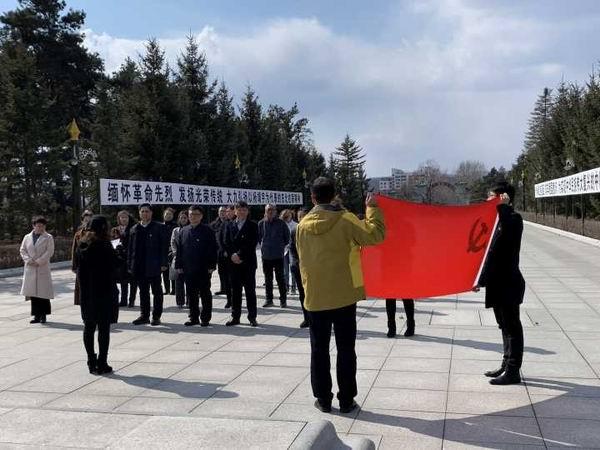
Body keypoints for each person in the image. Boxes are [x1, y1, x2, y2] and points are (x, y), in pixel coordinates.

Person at [296, 177, 385, 414]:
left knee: (319, 350)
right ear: (334, 195)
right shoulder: (346, 219)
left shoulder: (302, 225)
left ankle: (323, 399)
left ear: (313, 198)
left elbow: (303, 260)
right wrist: (372, 209)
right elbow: (375, 235)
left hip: (315, 296)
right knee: (346, 349)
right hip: (344, 295)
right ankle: (346, 400)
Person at [475, 182, 525, 386]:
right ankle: (506, 364)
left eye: (491, 196)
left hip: (509, 283)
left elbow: (508, 235)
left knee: (512, 327)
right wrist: (479, 279)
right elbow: (489, 255)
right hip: (497, 284)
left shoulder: (513, 219)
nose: (488, 199)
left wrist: (503, 207)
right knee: (503, 326)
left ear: (503, 198)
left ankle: (513, 370)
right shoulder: (495, 221)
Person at [75, 215, 119, 375]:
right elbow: (114, 266)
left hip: (88, 293)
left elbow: (78, 268)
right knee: (103, 329)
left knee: (89, 327)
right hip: (104, 292)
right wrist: (119, 252)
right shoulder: (105, 245)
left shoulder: (82, 244)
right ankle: (102, 362)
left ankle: (91, 361)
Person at [176, 206, 218, 326]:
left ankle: (205, 317)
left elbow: (213, 249)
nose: (193, 217)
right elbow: (179, 250)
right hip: (188, 268)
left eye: (196, 214)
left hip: (203, 268)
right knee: (191, 294)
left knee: (205, 293)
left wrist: (212, 265)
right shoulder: (183, 231)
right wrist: (179, 265)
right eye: (191, 214)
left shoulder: (208, 230)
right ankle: (193, 317)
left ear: (201, 216)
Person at [128, 203, 168, 326]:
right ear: (139, 213)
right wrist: (130, 265)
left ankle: (156, 316)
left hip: (154, 265)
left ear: (151, 213)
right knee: (143, 292)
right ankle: (144, 315)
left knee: (157, 292)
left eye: (147, 211)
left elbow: (164, 247)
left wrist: (163, 263)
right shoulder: (134, 229)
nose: (144, 213)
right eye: (142, 211)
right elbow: (130, 249)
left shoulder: (159, 227)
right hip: (139, 266)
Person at [223, 201, 259, 327]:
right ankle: (235, 316)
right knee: (235, 291)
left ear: (247, 211)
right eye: (239, 210)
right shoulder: (229, 224)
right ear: (235, 211)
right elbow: (226, 241)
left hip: (248, 262)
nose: (242, 212)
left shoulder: (253, 225)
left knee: (250, 291)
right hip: (233, 263)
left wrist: (239, 255)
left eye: (244, 210)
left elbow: (252, 243)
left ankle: (252, 317)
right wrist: (232, 254)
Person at [20, 216, 55, 324]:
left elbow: (50, 251)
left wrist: (39, 261)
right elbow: (22, 250)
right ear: (33, 226)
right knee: (33, 294)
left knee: (43, 294)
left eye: (43, 226)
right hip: (30, 267)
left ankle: (43, 315)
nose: (41, 228)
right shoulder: (27, 237)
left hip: (42, 267)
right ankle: (36, 316)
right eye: (38, 226)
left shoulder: (48, 237)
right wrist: (28, 260)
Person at [258, 204, 290, 308]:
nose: (270, 212)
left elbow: (287, 238)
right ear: (265, 211)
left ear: (276, 211)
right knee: (268, 279)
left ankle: (283, 300)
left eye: (272, 210)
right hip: (266, 256)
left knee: (280, 279)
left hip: (278, 255)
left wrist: (279, 246)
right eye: (268, 210)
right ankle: (269, 300)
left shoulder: (281, 223)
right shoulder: (261, 223)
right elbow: (259, 238)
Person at [111, 210, 137, 307]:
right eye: (121, 217)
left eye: (125, 217)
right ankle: (123, 300)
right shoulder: (115, 229)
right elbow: (112, 240)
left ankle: (131, 300)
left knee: (133, 281)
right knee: (123, 281)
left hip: (131, 257)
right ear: (119, 219)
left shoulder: (133, 228)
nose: (123, 219)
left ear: (129, 218)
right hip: (120, 258)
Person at [289, 207, 310, 328]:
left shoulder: (313, 230)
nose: (302, 219)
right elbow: (292, 249)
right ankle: (307, 318)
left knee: (312, 294)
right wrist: (297, 262)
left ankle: (316, 317)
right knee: (302, 294)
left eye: (304, 216)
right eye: (299, 217)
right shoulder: (294, 231)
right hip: (298, 267)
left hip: (312, 267)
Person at [71, 210, 93, 305]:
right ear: (82, 221)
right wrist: (74, 265)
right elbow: (74, 250)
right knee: (81, 285)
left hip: (92, 264)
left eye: (89, 220)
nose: (87, 222)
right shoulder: (78, 234)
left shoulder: (96, 233)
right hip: (81, 264)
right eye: (85, 220)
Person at [217, 205, 236, 308]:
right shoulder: (224, 223)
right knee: (226, 279)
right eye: (226, 212)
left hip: (235, 255)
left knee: (234, 280)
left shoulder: (236, 223)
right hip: (224, 255)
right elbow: (220, 239)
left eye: (229, 211)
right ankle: (229, 300)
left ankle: (235, 299)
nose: (227, 213)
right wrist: (223, 250)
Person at [170, 211, 190, 308]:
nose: (183, 219)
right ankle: (180, 302)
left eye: (185, 218)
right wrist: (175, 252)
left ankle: (190, 300)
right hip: (178, 258)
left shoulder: (191, 229)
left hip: (189, 258)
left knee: (189, 281)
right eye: (181, 218)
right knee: (178, 281)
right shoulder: (176, 230)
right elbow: (172, 242)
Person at [210, 206, 230, 298]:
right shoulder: (213, 224)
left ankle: (230, 288)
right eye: (221, 211)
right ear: (218, 213)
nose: (222, 213)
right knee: (221, 271)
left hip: (228, 252)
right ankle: (223, 288)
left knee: (229, 271)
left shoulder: (230, 223)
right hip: (218, 252)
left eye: (224, 211)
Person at [281, 209, 298, 295]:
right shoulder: (281, 225)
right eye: (286, 215)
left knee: (293, 269)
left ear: (292, 215)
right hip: (284, 250)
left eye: (289, 214)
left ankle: (293, 288)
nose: (287, 216)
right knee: (285, 271)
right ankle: (286, 287)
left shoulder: (296, 225)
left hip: (293, 250)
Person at [162, 208, 177, 295]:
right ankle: (167, 289)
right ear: (163, 216)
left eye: (170, 214)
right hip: (163, 251)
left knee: (173, 270)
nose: (168, 216)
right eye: (166, 214)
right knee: (165, 271)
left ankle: (174, 289)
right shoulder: (161, 226)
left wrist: (172, 248)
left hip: (173, 250)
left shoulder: (175, 226)